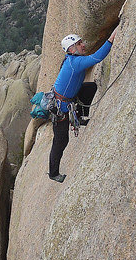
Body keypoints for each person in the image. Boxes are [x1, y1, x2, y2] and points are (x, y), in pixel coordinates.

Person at [48, 30, 115, 183]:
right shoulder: (74, 62)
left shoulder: (71, 60)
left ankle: (79, 117)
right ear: (71, 49)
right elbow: (97, 57)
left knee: (90, 88)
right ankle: (53, 173)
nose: (83, 45)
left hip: (68, 98)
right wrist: (111, 38)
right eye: (78, 44)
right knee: (61, 141)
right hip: (60, 108)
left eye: (81, 42)